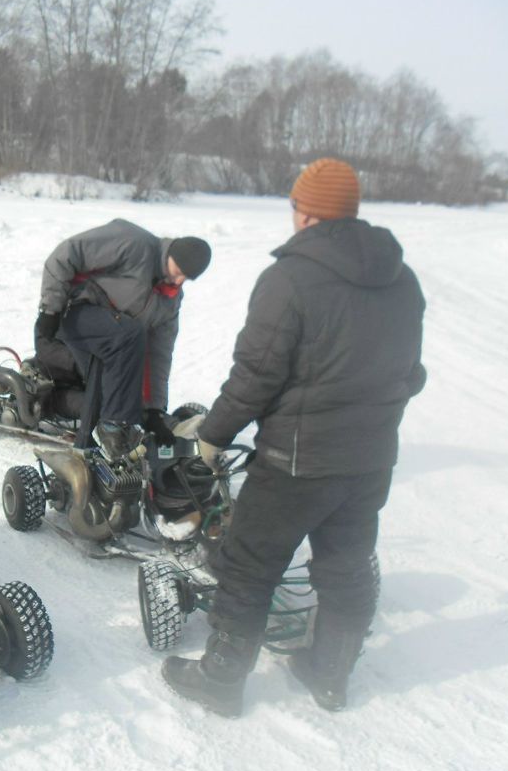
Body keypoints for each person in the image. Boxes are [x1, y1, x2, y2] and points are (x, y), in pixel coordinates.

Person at [162, 158, 427, 717]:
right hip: (371, 459)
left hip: (296, 463)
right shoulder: (401, 279)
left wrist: (214, 435)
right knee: (346, 566)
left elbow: (256, 376)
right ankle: (330, 675)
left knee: (248, 564)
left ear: (304, 213)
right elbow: (412, 374)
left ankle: (221, 680)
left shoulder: (290, 278)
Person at [35, 218, 212, 457]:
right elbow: (66, 254)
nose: (178, 281)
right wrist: (50, 309)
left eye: (186, 279)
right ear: (171, 254)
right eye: (178, 271)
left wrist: (154, 410)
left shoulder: (170, 302)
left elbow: (158, 356)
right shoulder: (134, 244)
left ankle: (111, 425)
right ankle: (114, 426)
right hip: (71, 311)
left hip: (112, 335)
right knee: (130, 335)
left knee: (114, 381)